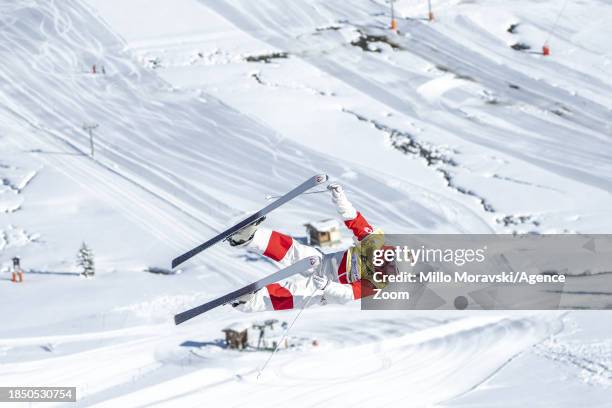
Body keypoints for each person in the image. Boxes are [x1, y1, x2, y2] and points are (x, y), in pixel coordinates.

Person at [228, 183, 394, 312]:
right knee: (295, 251)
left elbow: (348, 293)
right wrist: (340, 198)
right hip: (324, 263)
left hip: (327, 290)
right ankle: (248, 237)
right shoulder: (374, 241)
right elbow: (353, 218)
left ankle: (247, 302)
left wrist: (327, 286)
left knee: (294, 294)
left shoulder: (377, 283)